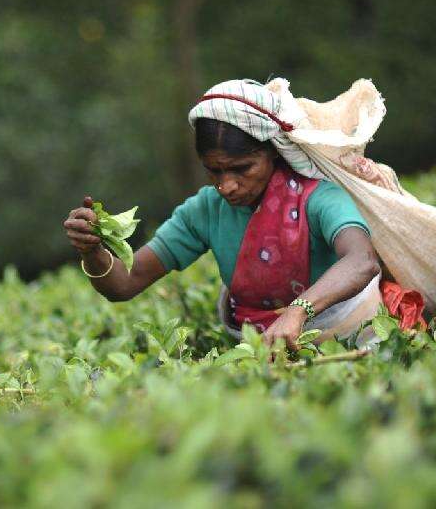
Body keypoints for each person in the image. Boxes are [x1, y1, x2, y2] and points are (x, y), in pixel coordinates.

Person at [63, 80, 395, 348]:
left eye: (242, 168)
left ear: (273, 152)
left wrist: (297, 312)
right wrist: (93, 251)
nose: (226, 186)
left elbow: (362, 260)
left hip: (349, 336)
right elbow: (125, 283)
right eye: (214, 171)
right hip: (257, 349)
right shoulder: (205, 211)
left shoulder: (319, 197)